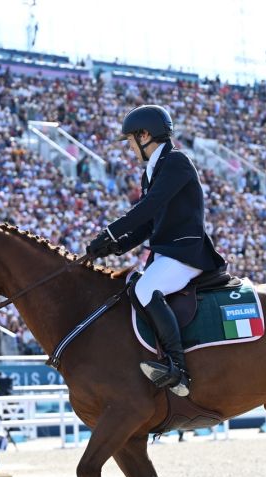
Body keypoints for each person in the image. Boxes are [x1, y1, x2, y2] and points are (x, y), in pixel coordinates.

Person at [86, 105, 226, 396]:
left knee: (145, 290)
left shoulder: (176, 162)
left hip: (186, 252)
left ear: (145, 135)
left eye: (130, 141)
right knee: (132, 288)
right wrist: (117, 245)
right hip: (167, 253)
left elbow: (147, 207)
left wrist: (109, 231)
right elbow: (151, 222)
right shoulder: (152, 172)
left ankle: (178, 368)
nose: (130, 148)